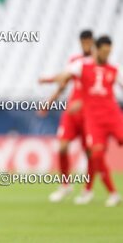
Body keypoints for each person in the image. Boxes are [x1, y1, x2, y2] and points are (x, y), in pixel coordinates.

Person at [55, 36, 123, 206]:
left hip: (113, 115)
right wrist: (56, 80)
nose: (107, 54)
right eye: (104, 51)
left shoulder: (115, 69)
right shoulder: (81, 65)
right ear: (97, 50)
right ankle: (112, 193)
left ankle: (89, 191)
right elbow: (64, 74)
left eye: (109, 51)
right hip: (93, 119)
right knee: (96, 154)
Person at [38, 30, 94, 202]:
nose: (85, 44)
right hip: (71, 112)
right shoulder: (75, 62)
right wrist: (48, 103)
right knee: (62, 147)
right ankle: (65, 185)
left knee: (90, 152)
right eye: (83, 41)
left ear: (93, 43)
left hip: (88, 112)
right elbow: (64, 83)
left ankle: (87, 189)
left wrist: (47, 80)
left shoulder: (96, 64)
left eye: (88, 42)